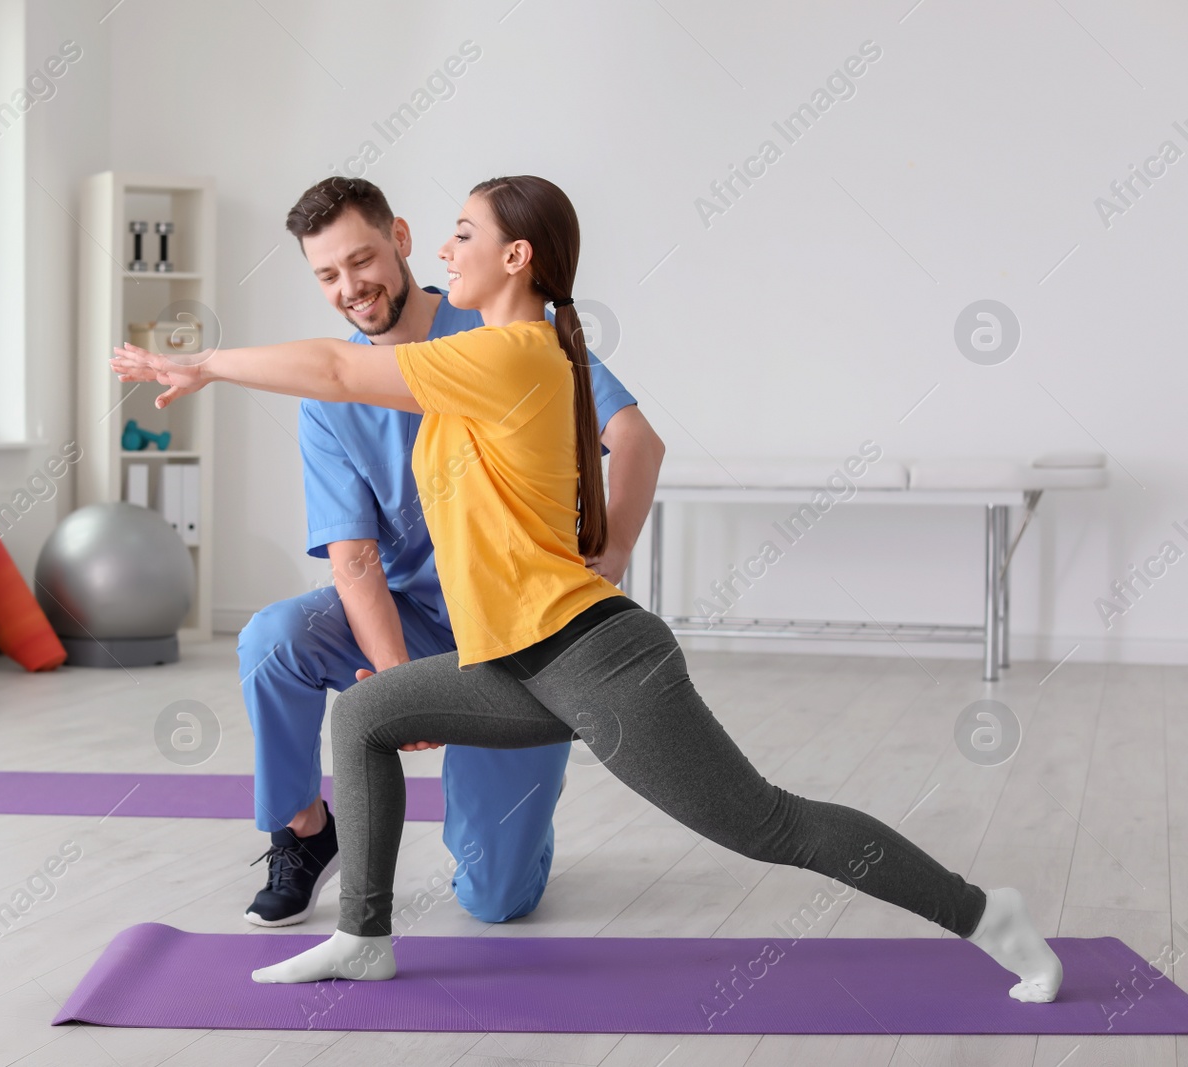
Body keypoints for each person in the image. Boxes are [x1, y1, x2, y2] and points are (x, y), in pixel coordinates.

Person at [112, 175, 1064, 1004]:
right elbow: (351, 452)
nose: (447, 247)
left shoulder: (509, 354)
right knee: (363, 713)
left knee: (766, 823)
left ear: (516, 257)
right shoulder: (492, 352)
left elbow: (332, 367)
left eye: (465, 234)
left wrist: (200, 361)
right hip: (514, 661)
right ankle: (362, 935)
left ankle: (987, 914)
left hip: (598, 662)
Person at [236, 176, 663, 928]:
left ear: (400, 238)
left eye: (361, 260)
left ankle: (514, 826)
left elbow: (632, 437)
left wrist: (616, 547)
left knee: (497, 901)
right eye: (327, 275)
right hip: (418, 621)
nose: (350, 288)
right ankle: (302, 830)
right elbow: (355, 556)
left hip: (519, 636)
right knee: (273, 639)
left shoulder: (497, 326)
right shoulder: (329, 395)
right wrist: (398, 687)